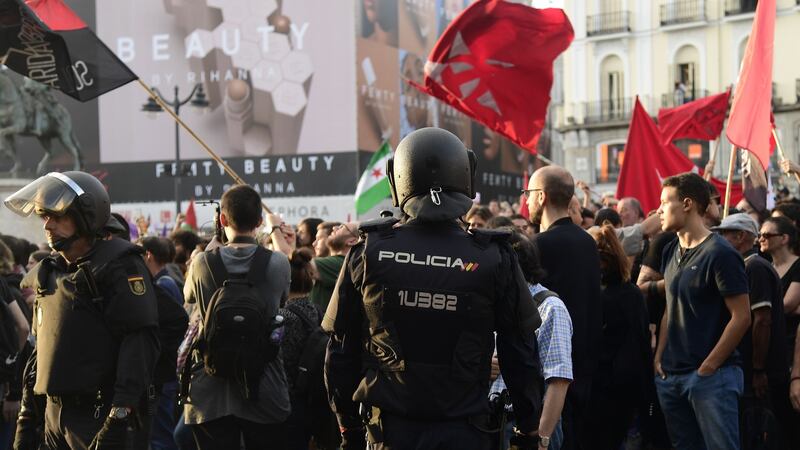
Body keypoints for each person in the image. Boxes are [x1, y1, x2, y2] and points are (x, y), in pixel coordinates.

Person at [324, 128, 544, 450]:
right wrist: (528, 429)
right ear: (467, 176)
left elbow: (341, 352)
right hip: (466, 432)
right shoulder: (495, 256)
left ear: (397, 179)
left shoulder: (368, 253)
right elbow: (520, 354)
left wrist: (349, 428)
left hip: (390, 432)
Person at [5, 171, 160, 450]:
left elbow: (138, 347)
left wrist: (119, 416)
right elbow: (41, 353)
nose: (48, 226)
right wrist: (27, 418)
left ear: (86, 216)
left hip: (98, 415)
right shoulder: (49, 273)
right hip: (53, 417)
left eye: (57, 216)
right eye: (44, 217)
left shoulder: (119, 267)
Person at [182, 185, 291, 450]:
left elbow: (188, 297)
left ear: (222, 219)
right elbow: (283, 299)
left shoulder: (201, 263)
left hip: (210, 392)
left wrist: (208, 251)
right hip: (265, 386)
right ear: (258, 222)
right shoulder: (278, 263)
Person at [653, 173, 751, 450]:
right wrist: (659, 358)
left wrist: (708, 367)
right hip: (671, 377)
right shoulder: (670, 249)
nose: (658, 210)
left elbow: (742, 317)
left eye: (664, 202)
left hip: (711, 380)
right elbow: (670, 307)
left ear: (687, 204)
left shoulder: (721, 253)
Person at [527, 165, 602, 450]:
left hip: (548, 379)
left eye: (529, 194)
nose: (526, 201)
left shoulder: (538, 246)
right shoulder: (587, 242)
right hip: (583, 372)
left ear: (542, 197)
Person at [713, 213, 796, 447]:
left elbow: (762, 321)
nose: (719, 240)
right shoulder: (748, 265)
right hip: (756, 370)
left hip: (761, 372)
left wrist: (759, 369)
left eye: (724, 234)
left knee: (761, 432)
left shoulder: (754, 268)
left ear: (741, 237)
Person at [503, 231, 573, 450]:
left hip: (530, 428)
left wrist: (540, 440)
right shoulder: (496, 303)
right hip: (495, 422)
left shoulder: (551, 308)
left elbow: (559, 380)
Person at [586, 225, 650, 450]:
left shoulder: (592, 295)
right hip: (627, 389)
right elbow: (643, 343)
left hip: (601, 389)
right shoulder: (631, 293)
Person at [138, 236, 189, 450]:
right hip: (166, 371)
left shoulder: (163, 284)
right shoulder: (165, 281)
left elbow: (172, 326)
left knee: (161, 435)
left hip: (164, 372)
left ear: (148, 255)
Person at [279, 248, 332, 450]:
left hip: (290, 403)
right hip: (316, 399)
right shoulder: (319, 311)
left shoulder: (283, 317)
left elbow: (283, 364)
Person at [759, 216, 800, 367]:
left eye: (767, 235)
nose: (761, 239)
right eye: (759, 235)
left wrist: (759, 312)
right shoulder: (766, 267)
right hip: (768, 342)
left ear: (784, 239)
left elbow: (788, 304)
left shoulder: (798, 265)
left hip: (790, 343)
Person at [307, 222, 359, 312]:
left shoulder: (342, 263)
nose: (334, 228)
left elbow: (296, 264)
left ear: (352, 241)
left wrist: (275, 229)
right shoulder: (342, 262)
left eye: (342, 227)